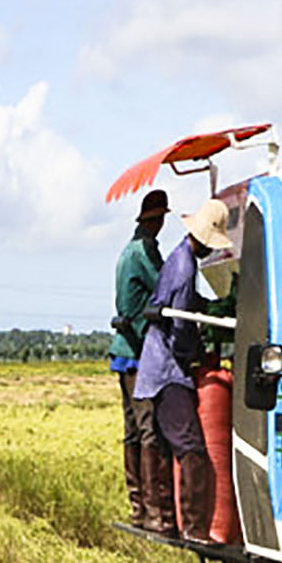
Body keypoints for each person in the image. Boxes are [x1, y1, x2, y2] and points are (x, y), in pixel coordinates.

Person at [134, 198, 232, 543]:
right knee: (191, 448)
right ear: (205, 239)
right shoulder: (184, 267)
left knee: (162, 443)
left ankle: (159, 518)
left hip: (157, 367)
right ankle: (194, 527)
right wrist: (196, 355)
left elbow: (187, 306)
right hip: (168, 370)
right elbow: (178, 324)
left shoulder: (179, 257)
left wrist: (209, 309)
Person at [110, 189, 174, 532]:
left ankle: (139, 507)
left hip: (123, 350)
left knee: (133, 431)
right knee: (149, 430)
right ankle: (153, 512)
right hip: (136, 351)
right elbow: (164, 286)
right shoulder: (146, 250)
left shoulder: (126, 251)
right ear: (157, 220)